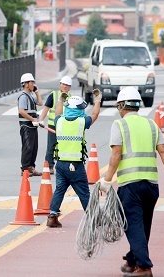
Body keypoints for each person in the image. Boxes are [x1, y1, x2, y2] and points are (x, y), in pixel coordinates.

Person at [98, 87, 164, 277]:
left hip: (130, 184)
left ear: (122, 105)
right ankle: (133, 260)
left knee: (133, 224)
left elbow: (116, 154)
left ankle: (144, 267)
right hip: (151, 185)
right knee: (143, 225)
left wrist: (107, 180)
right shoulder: (152, 124)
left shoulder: (120, 125)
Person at [46, 91, 101, 228]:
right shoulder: (82, 122)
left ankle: (52, 217)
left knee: (59, 189)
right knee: (83, 192)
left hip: (60, 164)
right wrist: (98, 100)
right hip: (75, 165)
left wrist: (60, 100)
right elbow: (94, 115)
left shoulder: (59, 121)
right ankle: (94, 218)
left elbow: (57, 114)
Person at [39, 75, 73, 175]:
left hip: (65, 125)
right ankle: (50, 166)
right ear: (60, 85)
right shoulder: (53, 95)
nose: (65, 86)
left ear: (70, 87)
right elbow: (46, 108)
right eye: (63, 84)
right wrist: (41, 120)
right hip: (53, 125)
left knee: (64, 146)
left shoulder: (71, 98)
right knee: (51, 146)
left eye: (67, 85)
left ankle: (63, 165)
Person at [17, 73, 43, 177]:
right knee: (27, 147)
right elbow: (22, 111)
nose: (33, 84)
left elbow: (40, 103)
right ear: (26, 84)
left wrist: (36, 91)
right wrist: (32, 119)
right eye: (32, 82)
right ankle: (25, 169)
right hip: (26, 125)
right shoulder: (23, 97)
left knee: (34, 147)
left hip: (32, 125)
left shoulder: (31, 96)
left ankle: (31, 167)